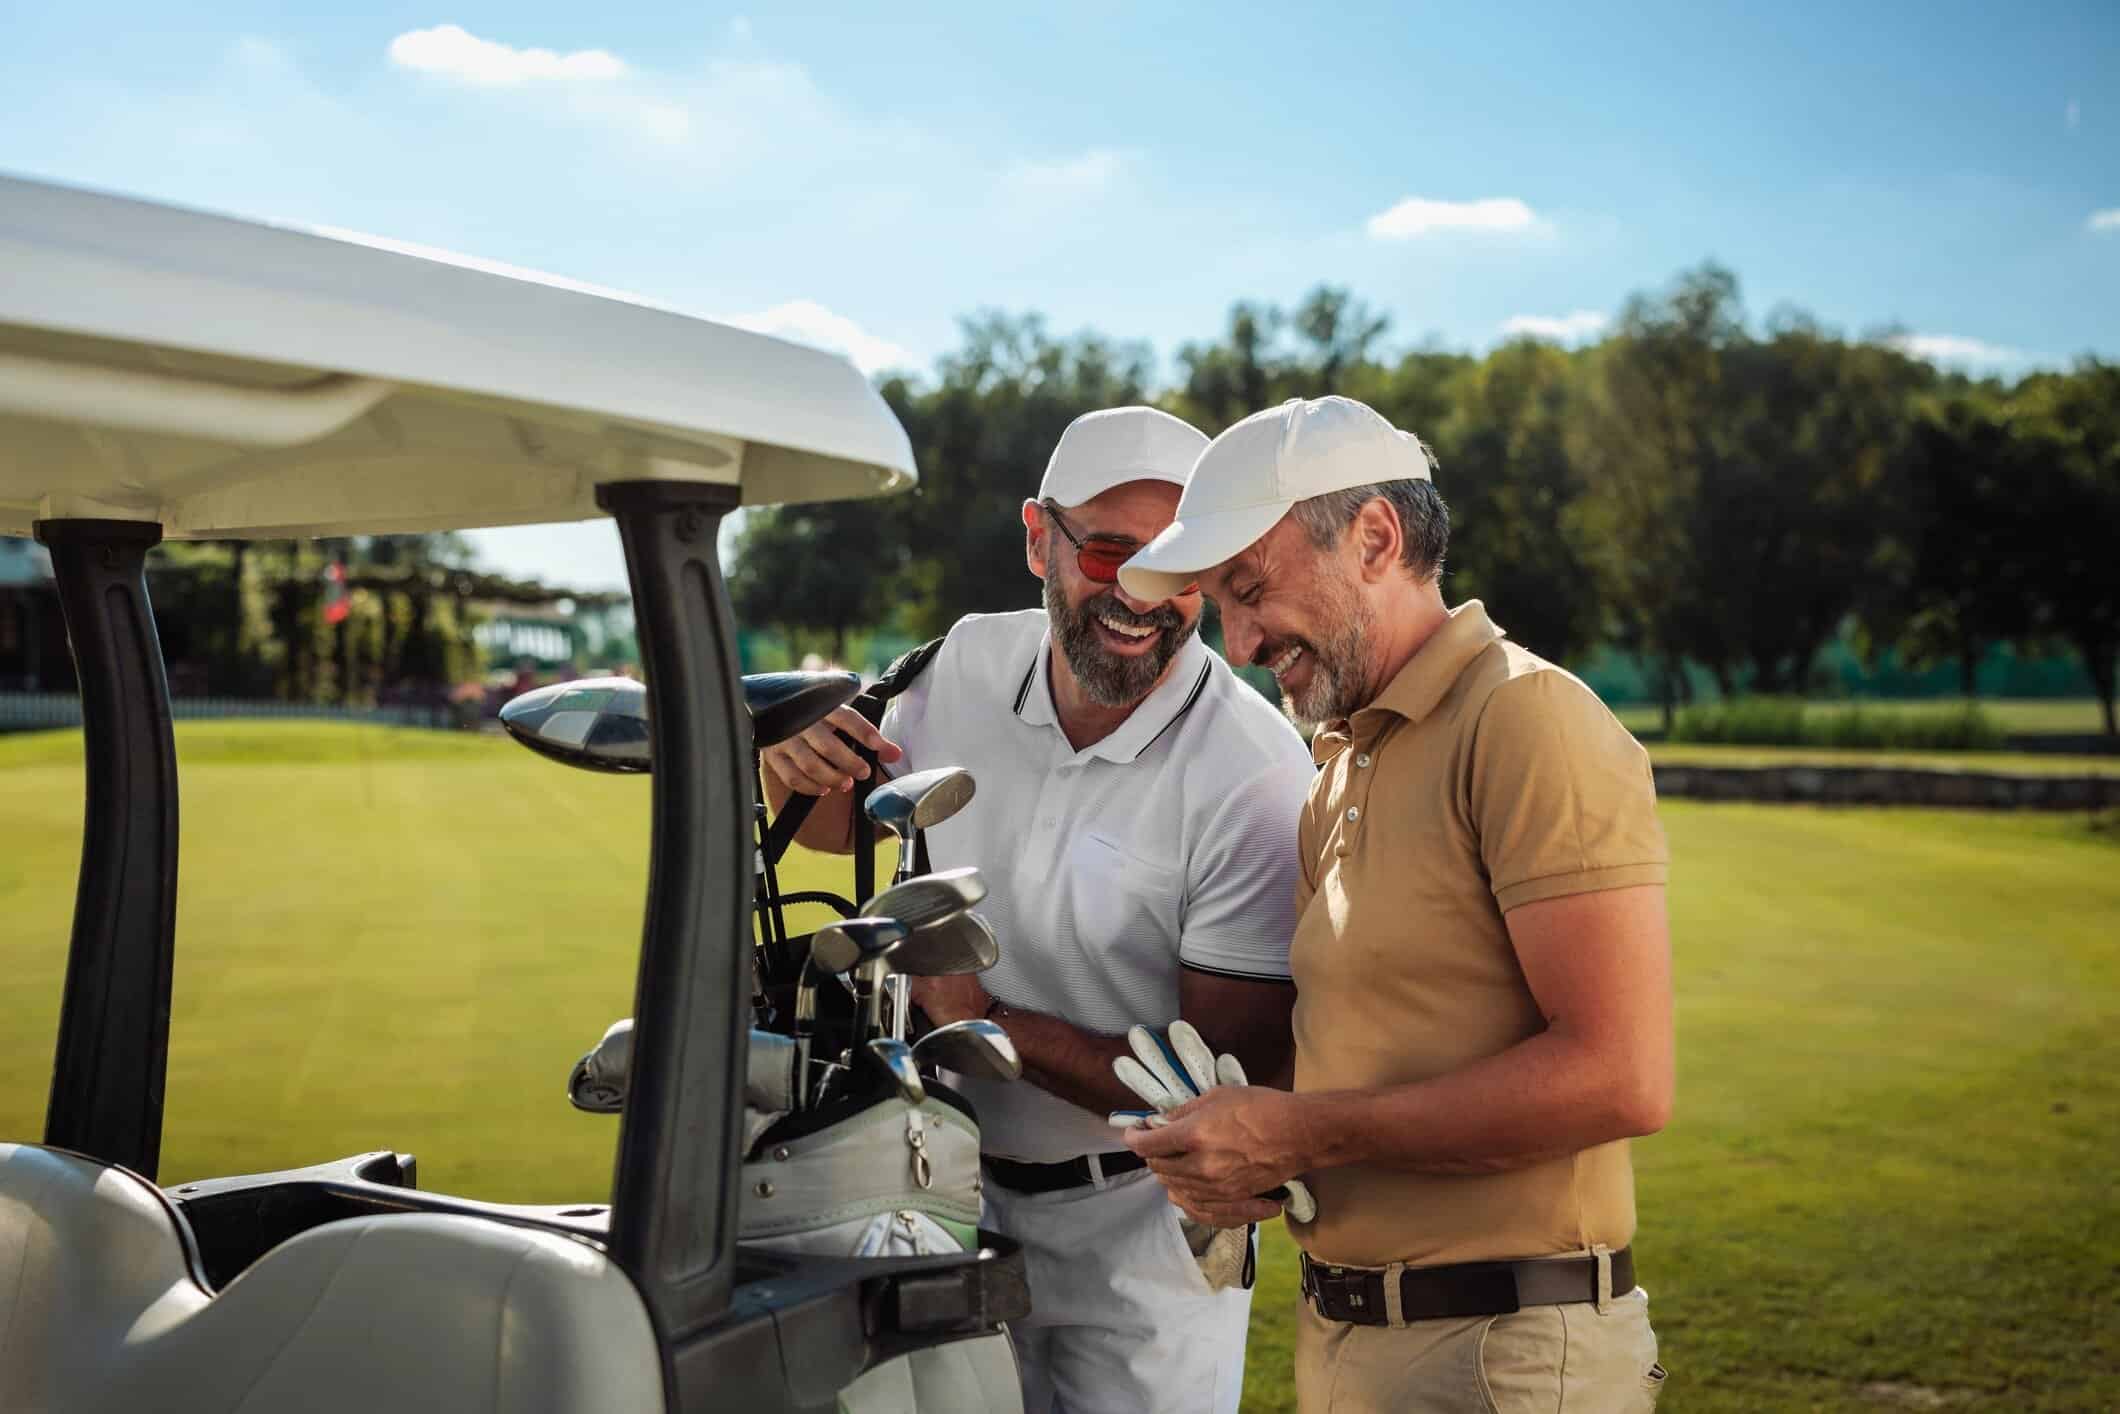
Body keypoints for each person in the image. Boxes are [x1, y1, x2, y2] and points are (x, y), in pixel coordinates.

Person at [1117, 395, 1674, 1412]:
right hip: (1352, 1338)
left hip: (1503, 1356)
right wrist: (1231, 1143)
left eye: (1247, 588)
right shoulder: (1335, 760)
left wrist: (1304, 1133)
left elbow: (1620, 1076)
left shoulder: (1525, 718)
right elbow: (1358, 1043)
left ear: (1375, 536)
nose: (1235, 640)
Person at [761, 405, 1316, 1414]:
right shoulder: (966, 661)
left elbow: (1219, 1089)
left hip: (1141, 1240)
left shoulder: (1253, 768)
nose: (1140, 595)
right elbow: (841, 826)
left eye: (1179, 565)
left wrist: (977, 1017)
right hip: (936, 1197)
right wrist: (789, 763)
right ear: (1036, 538)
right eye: (1109, 553)